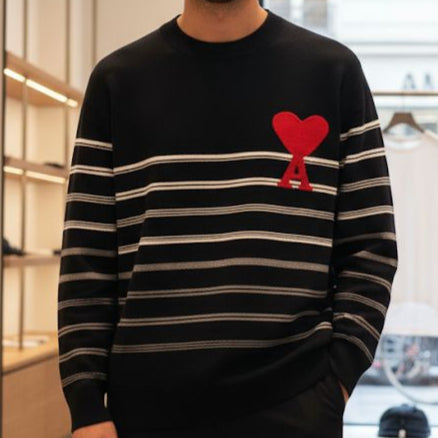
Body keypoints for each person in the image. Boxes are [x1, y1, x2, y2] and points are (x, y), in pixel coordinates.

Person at [57, 0, 399, 437]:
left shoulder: (332, 73)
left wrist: (337, 382)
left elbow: (371, 248)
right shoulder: (117, 81)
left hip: (295, 407)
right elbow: (87, 257)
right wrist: (86, 406)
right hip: (145, 412)